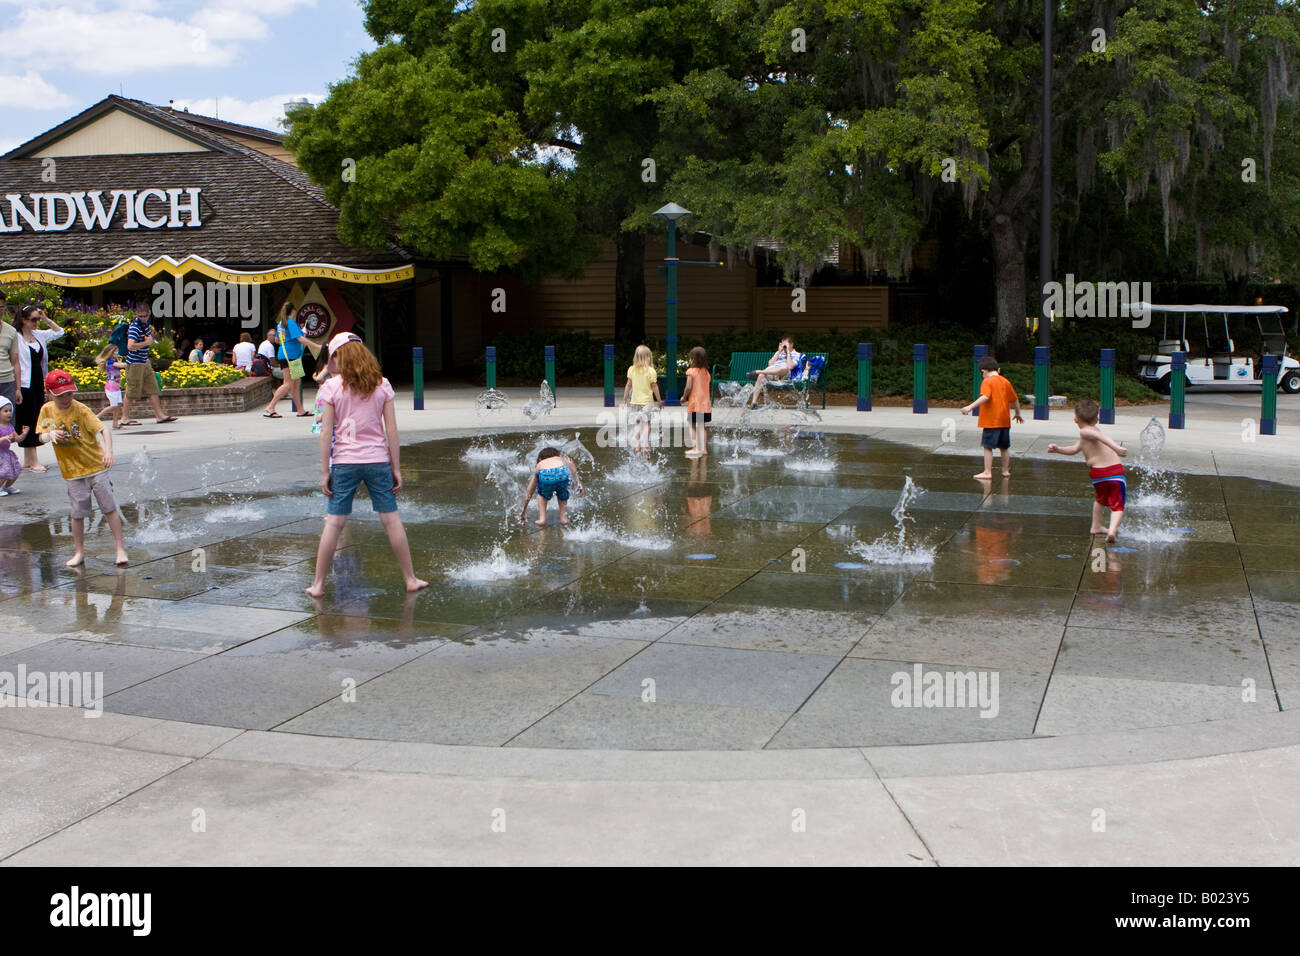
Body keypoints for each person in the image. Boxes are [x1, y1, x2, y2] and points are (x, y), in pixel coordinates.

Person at [304, 332, 426, 596]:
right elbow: (391, 430)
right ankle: (410, 579)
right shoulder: (382, 385)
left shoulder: (331, 388)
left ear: (339, 356)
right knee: (391, 521)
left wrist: (325, 471)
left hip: (345, 462)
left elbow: (327, 432)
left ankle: (318, 585)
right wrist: (396, 467)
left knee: (334, 523)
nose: (329, 363)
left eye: (331, 357)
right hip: (377, 460)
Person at [36, 369, 128, 567]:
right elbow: (39, 436)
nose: (66, 398)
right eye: (61, 395)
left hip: (96, 466)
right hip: (72, 471)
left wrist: (108, 452)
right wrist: (49, 435)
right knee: (77, 513)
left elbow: (104, 430)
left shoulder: (81, 409)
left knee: (109, 507)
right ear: (49, 394)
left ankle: (120, 548)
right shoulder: (47, 410)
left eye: (69, 393)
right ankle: (79, 552)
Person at [1048, 398, 1130, 542]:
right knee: (1117, 505)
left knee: (1100, 500)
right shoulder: (1088, 432)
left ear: (1075, 419)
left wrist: (1116, 447)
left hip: (1098, 475)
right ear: (1097, 419)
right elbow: (1079, 447)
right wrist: (1059, 449)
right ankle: (1111, 530)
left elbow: (1091, 441)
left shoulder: (1086, 432)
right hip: (1115, 473)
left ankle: (1096, 526)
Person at [14, 304, 64, 470]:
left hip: (37, 381)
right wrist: (17, 388)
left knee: (36, 417)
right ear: (23, 320)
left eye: (38, 319)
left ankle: (29, 460)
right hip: (23, 382)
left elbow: (59, 332)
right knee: (27, 419)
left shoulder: (38, 335)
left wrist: (46, 318)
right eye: (33, 319)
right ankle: (32, 459)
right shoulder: (16, 337)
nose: (36, 323)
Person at [960, 355, 1023, 479]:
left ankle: (987, 472)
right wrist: (1018, 413)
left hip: (991, 421)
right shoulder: (1005, 381)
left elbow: (985, 396)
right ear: (997, 370)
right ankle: (1005, 471)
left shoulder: (987, 381)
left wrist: (970, 407)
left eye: (981, 373)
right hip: (1004, 421)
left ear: (983, 371)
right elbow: (1015, 399)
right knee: (1004, 447)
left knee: (988, 446)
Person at [122, 304, 178, 426]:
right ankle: (124, 418)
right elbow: (130, 346)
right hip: (135, 363)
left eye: (145, 316)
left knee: (153, 388)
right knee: (131, 390)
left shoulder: (146, 325)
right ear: (137, 314)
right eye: (140, 316)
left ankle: (160, 415)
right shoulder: (135, 327)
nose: (143, 318)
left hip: (144, 362)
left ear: (149, 313)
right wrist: (146, 342)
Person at [519, 446, 584, 526]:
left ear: (540, 459)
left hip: (546, 474)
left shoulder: (540, 464)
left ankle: (542, 519)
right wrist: (579, 485)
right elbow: (573, 471)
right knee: (562, 492)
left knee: (541, 496)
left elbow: (529, 491)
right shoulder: (562, 459)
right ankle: (563, 518)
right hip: (563, 472)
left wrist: (523, 511)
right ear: (557, 455)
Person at [265, 304, 311, 418]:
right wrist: (317, 346)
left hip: (287, 355)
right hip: (291, 356)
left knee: (296, 383)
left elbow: (277, 340)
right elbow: (300, 339)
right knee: (288, 383)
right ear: (293, 311)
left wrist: (298, 334)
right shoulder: (291, 323)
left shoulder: (281, 324)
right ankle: (270, 407)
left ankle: (300, 410)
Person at [622, 345, 663, 454]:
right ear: (648, 357)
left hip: (634, 402)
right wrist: (659, 400)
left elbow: (628, 385)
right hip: (647, 403)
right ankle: (644, 445)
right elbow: (655, 387)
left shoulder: (631, 369)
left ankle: (638, 444)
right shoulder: (651, 371)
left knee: (638, 423)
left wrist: (624, 399)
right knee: (647, 423)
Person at [747, 335, 801, 408]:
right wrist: (779, 351)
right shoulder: (778, 353)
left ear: (791, 344)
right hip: (772, 372)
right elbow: (770, 364)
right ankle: (754, 402)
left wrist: (788, 353)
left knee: (784, 368)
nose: (784, 347)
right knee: (761, 376)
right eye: (782, 345)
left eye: (785, 345)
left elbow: (790, 367)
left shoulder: (797, 354)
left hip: (784, 374)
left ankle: (759, 371)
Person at [681, 346, 712, 459]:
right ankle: (703, 448)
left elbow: (688, 387)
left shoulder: (691, 372)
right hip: (705, 406)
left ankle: (695, 448)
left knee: (692, 425)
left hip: (695, 405)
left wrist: (684, 397)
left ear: (693, 359)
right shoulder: (707, 373)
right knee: (702, 426)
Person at [94, 344, 125, 429]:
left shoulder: (115, 361)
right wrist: (129, 363)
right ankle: (97, 417)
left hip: (116, 387)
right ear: (111, 353)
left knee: (118, 405)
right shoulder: (110, 362)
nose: (118, 354)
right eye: (116, 352)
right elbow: (122, 365)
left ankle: (115, 423)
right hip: (111, 387)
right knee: (114, 405)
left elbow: (120, 364)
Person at [0, 395, 24, 495]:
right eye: (5, 411)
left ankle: (7, 486)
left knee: (16, 470)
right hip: (0, 454)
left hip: (7, 454)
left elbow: (17, 439)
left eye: (10, 410)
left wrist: (24, 434)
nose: (9, 413)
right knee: (4, 472)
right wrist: (3, 438)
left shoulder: (10, 426)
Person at [0, 294, 21, 407]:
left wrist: (18, 389)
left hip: (7, 382)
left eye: (1, 307)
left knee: (7, 421)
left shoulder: (11, 331)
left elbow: (15, 361)